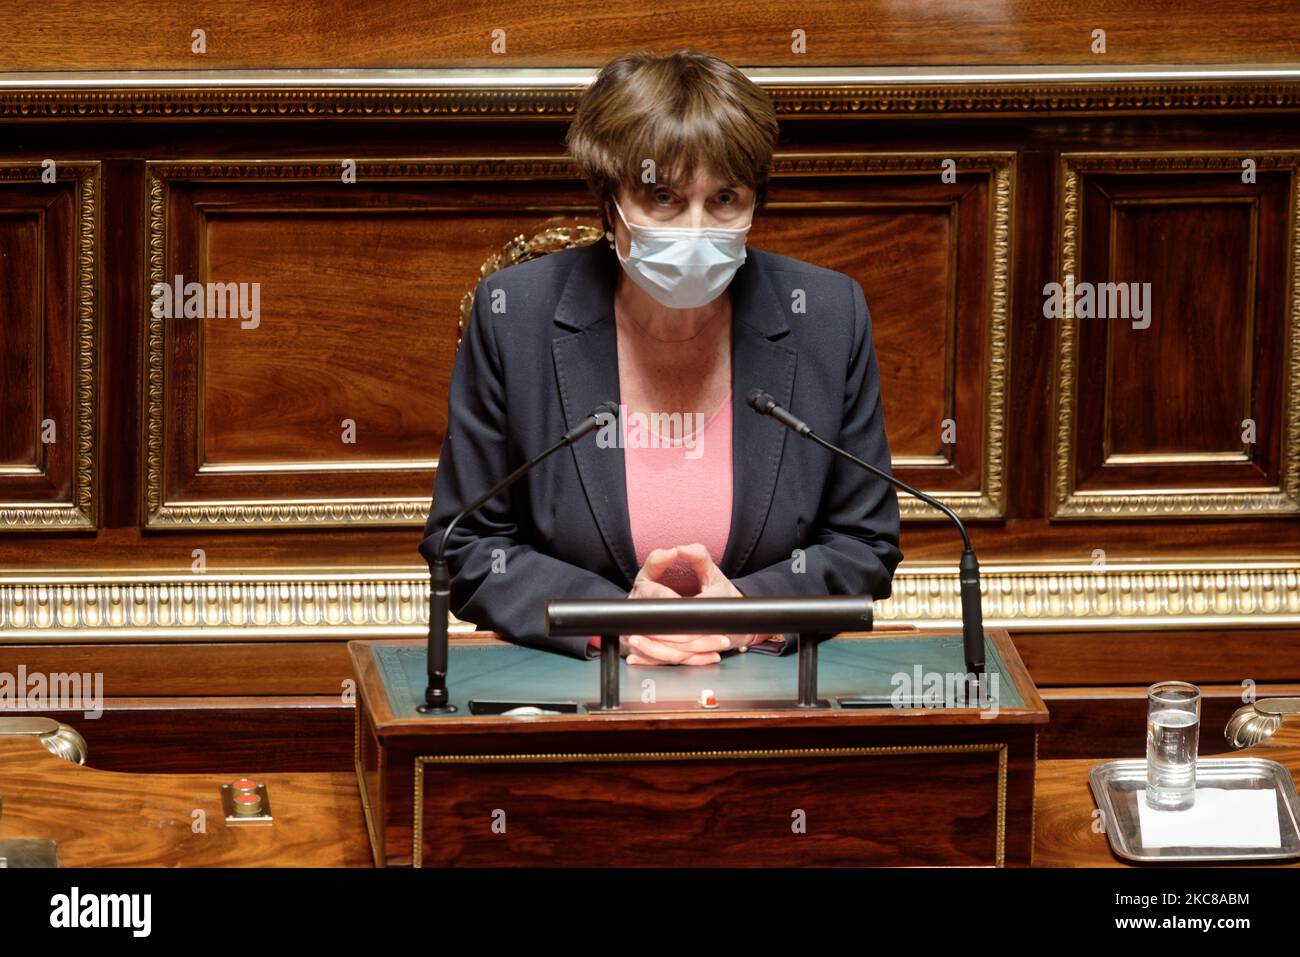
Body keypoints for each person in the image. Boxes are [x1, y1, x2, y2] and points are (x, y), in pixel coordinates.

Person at [420, 49, 901, 665]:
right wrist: (616, 623)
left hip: (770, 704)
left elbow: (864, 544)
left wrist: (746, 615)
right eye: (665, 197)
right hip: (576, 704)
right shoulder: (516, 316)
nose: (696, 229)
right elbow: (466, 546)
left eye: (724, 199)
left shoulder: (828, 317)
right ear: (610, 202)